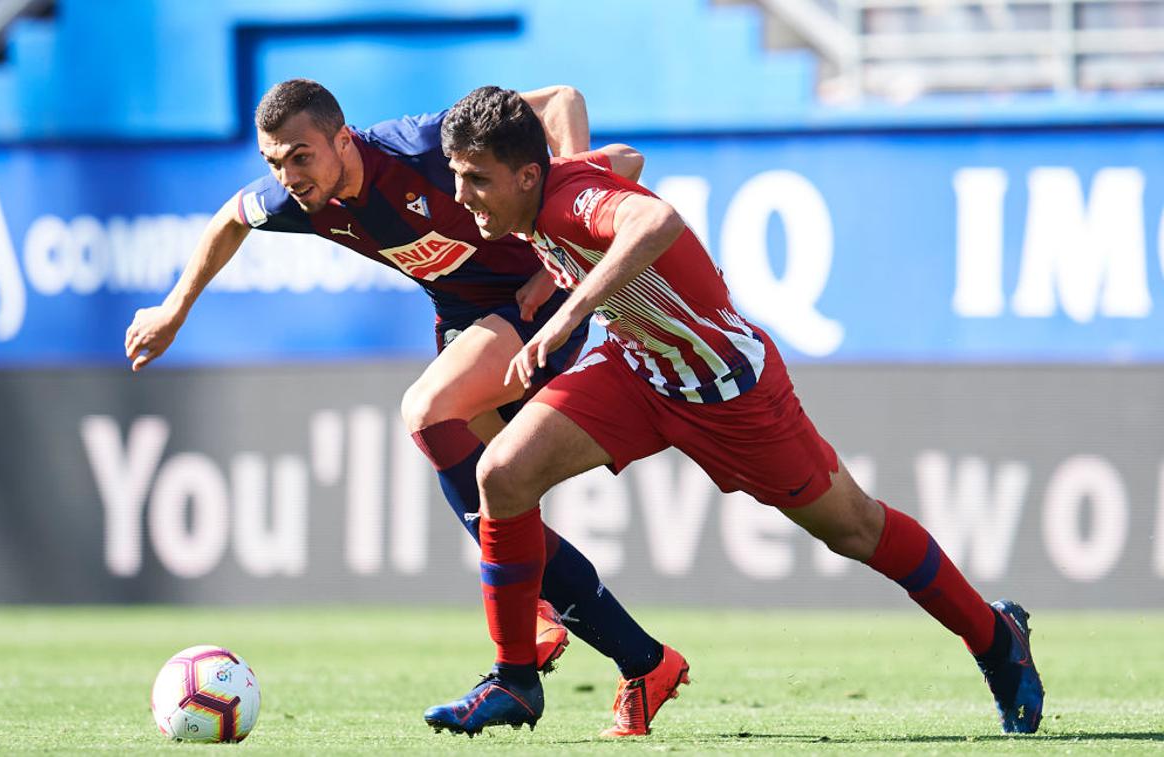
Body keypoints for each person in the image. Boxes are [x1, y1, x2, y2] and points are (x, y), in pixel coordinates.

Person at [423, 85, 1045, 738]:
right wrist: (562, 249)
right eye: (457, 176)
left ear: (527, 174)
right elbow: (624, 159)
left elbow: (654, 222)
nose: (463, 196)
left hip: (729, 391)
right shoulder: (557, 189)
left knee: (854, 529)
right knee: (503, 475)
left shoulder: (567, 199)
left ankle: (994, 635)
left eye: (476, 179)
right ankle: (515, 677)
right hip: (638, 371)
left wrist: (569, 309)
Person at [123, 79, 678, 737]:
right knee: (502, 498)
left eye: (301, 156)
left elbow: (563, 101)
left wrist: (562, 219)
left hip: (538, 305)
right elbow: (229, 218)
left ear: (342, 137)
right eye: (274, 162)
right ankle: (644, 660)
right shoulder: (300, 197)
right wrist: (173, 309)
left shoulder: (421, 146)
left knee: (426, 411)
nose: (288, 175)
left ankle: (523, 648)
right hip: (466, 322)